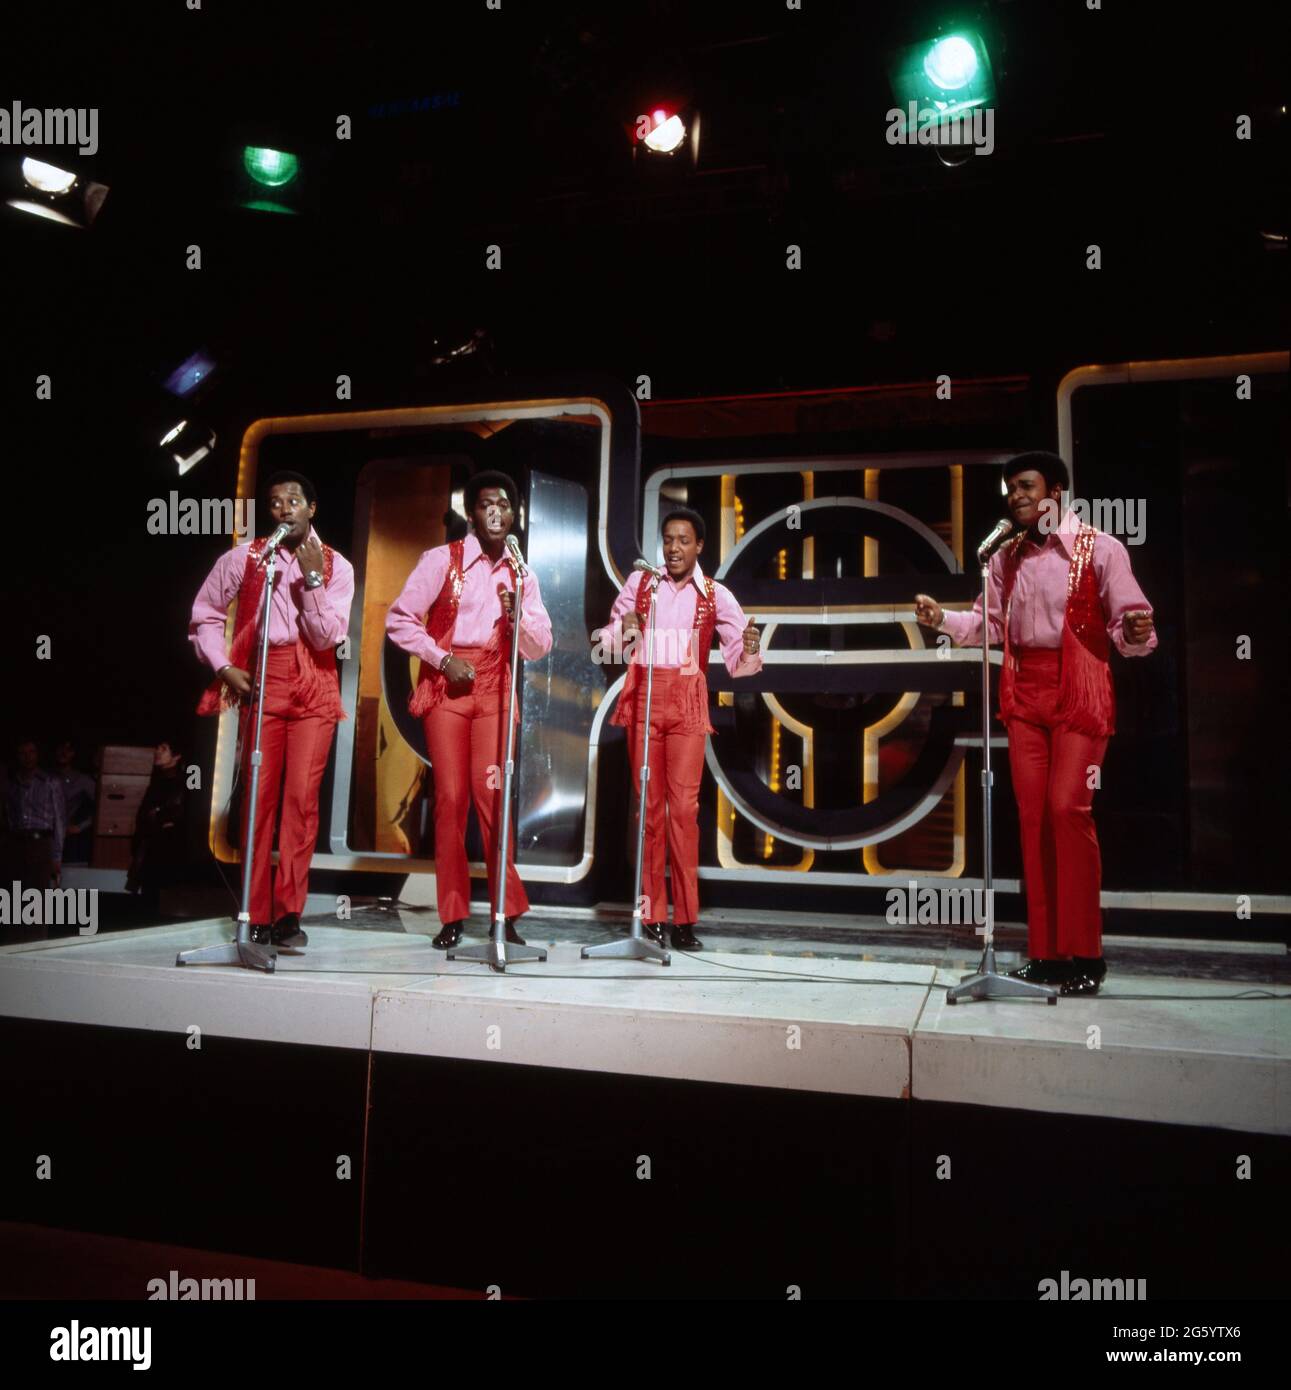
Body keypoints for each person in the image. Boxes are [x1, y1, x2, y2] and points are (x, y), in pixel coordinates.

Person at [914, 452, 1157, 995]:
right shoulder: (1006, 556)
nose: (1016, 497)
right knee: (1032, 818)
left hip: (1079, 690)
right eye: (1011, 489)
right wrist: (944, 621)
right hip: (1025, 695)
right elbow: (990, 623)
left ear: (1058, 491)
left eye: (1026, 487)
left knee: (1067, 808)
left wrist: (1137, 631)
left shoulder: (1101, 549)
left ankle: (1086, 954)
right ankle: (1046, 955)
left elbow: (1128, 624)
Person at [386, 472, 552, 950]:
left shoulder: (523, 574)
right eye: (485, 504)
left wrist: (518, 612)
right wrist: (441, 658)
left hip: (496, 685)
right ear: (471, 513)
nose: (495, 511)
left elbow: (540, 647)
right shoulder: (441, 561)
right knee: (452, 799)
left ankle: (506, 912)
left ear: (514, 515)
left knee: (492, 798)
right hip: (449, 683)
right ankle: (452, 913)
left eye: (503, 503)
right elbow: (399, 620)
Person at [189, 471, 354, 950]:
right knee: (259, 795)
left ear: (312, 508)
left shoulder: (336, 566)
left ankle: (288, 913)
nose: (284, 509)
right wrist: (223, 666)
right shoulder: (246, 556)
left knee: (301, 801)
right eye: (276, 502)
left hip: (315, 677)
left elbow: (327, 637)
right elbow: (204, 614)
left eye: (294, 500)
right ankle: (253, 911)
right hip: (262, 673)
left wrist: (312, 580)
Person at [597, 507, 762, 951]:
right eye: (668, 539)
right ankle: (650, 916)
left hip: (687, 699)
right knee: (648, 810)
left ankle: (685, 920)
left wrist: (749, 648)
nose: (673, 548)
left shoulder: (715, 595)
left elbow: (739, 665)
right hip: (645, 693)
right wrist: (623, 629)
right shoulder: (640, 584)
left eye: (683, 540)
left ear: (699, 546)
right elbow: (609, 639)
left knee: (683, 812)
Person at [125, 740, 190, 917]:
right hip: (151, 849)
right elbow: (144, 815)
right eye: (157, 748)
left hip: (168, 852)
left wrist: (160, 815)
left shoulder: (184, 781)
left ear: (176, 756)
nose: (157, 752)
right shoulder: (158, 780)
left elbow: (181, 814)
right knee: (149, 903)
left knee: (163, 903)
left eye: (163, 749)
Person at [2, 737, 66, 895]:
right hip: (16, 843)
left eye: (31, 752)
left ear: (37, 754)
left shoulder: (50, 782)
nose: (27, 757)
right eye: (22, 753)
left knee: (39, 893)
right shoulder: (12, 784)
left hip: (41, 843)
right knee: (16, 892)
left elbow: (59, 820)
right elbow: (9, 815)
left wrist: (57, 856)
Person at [53, 738, 96, 865]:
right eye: (61, 748)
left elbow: (104, 807)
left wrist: (80, 826)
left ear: (74, 753)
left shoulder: (82, 780)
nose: (64, 752)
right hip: (43, 836)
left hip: (67, 840)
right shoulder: (45, 777)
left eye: (69, 749)